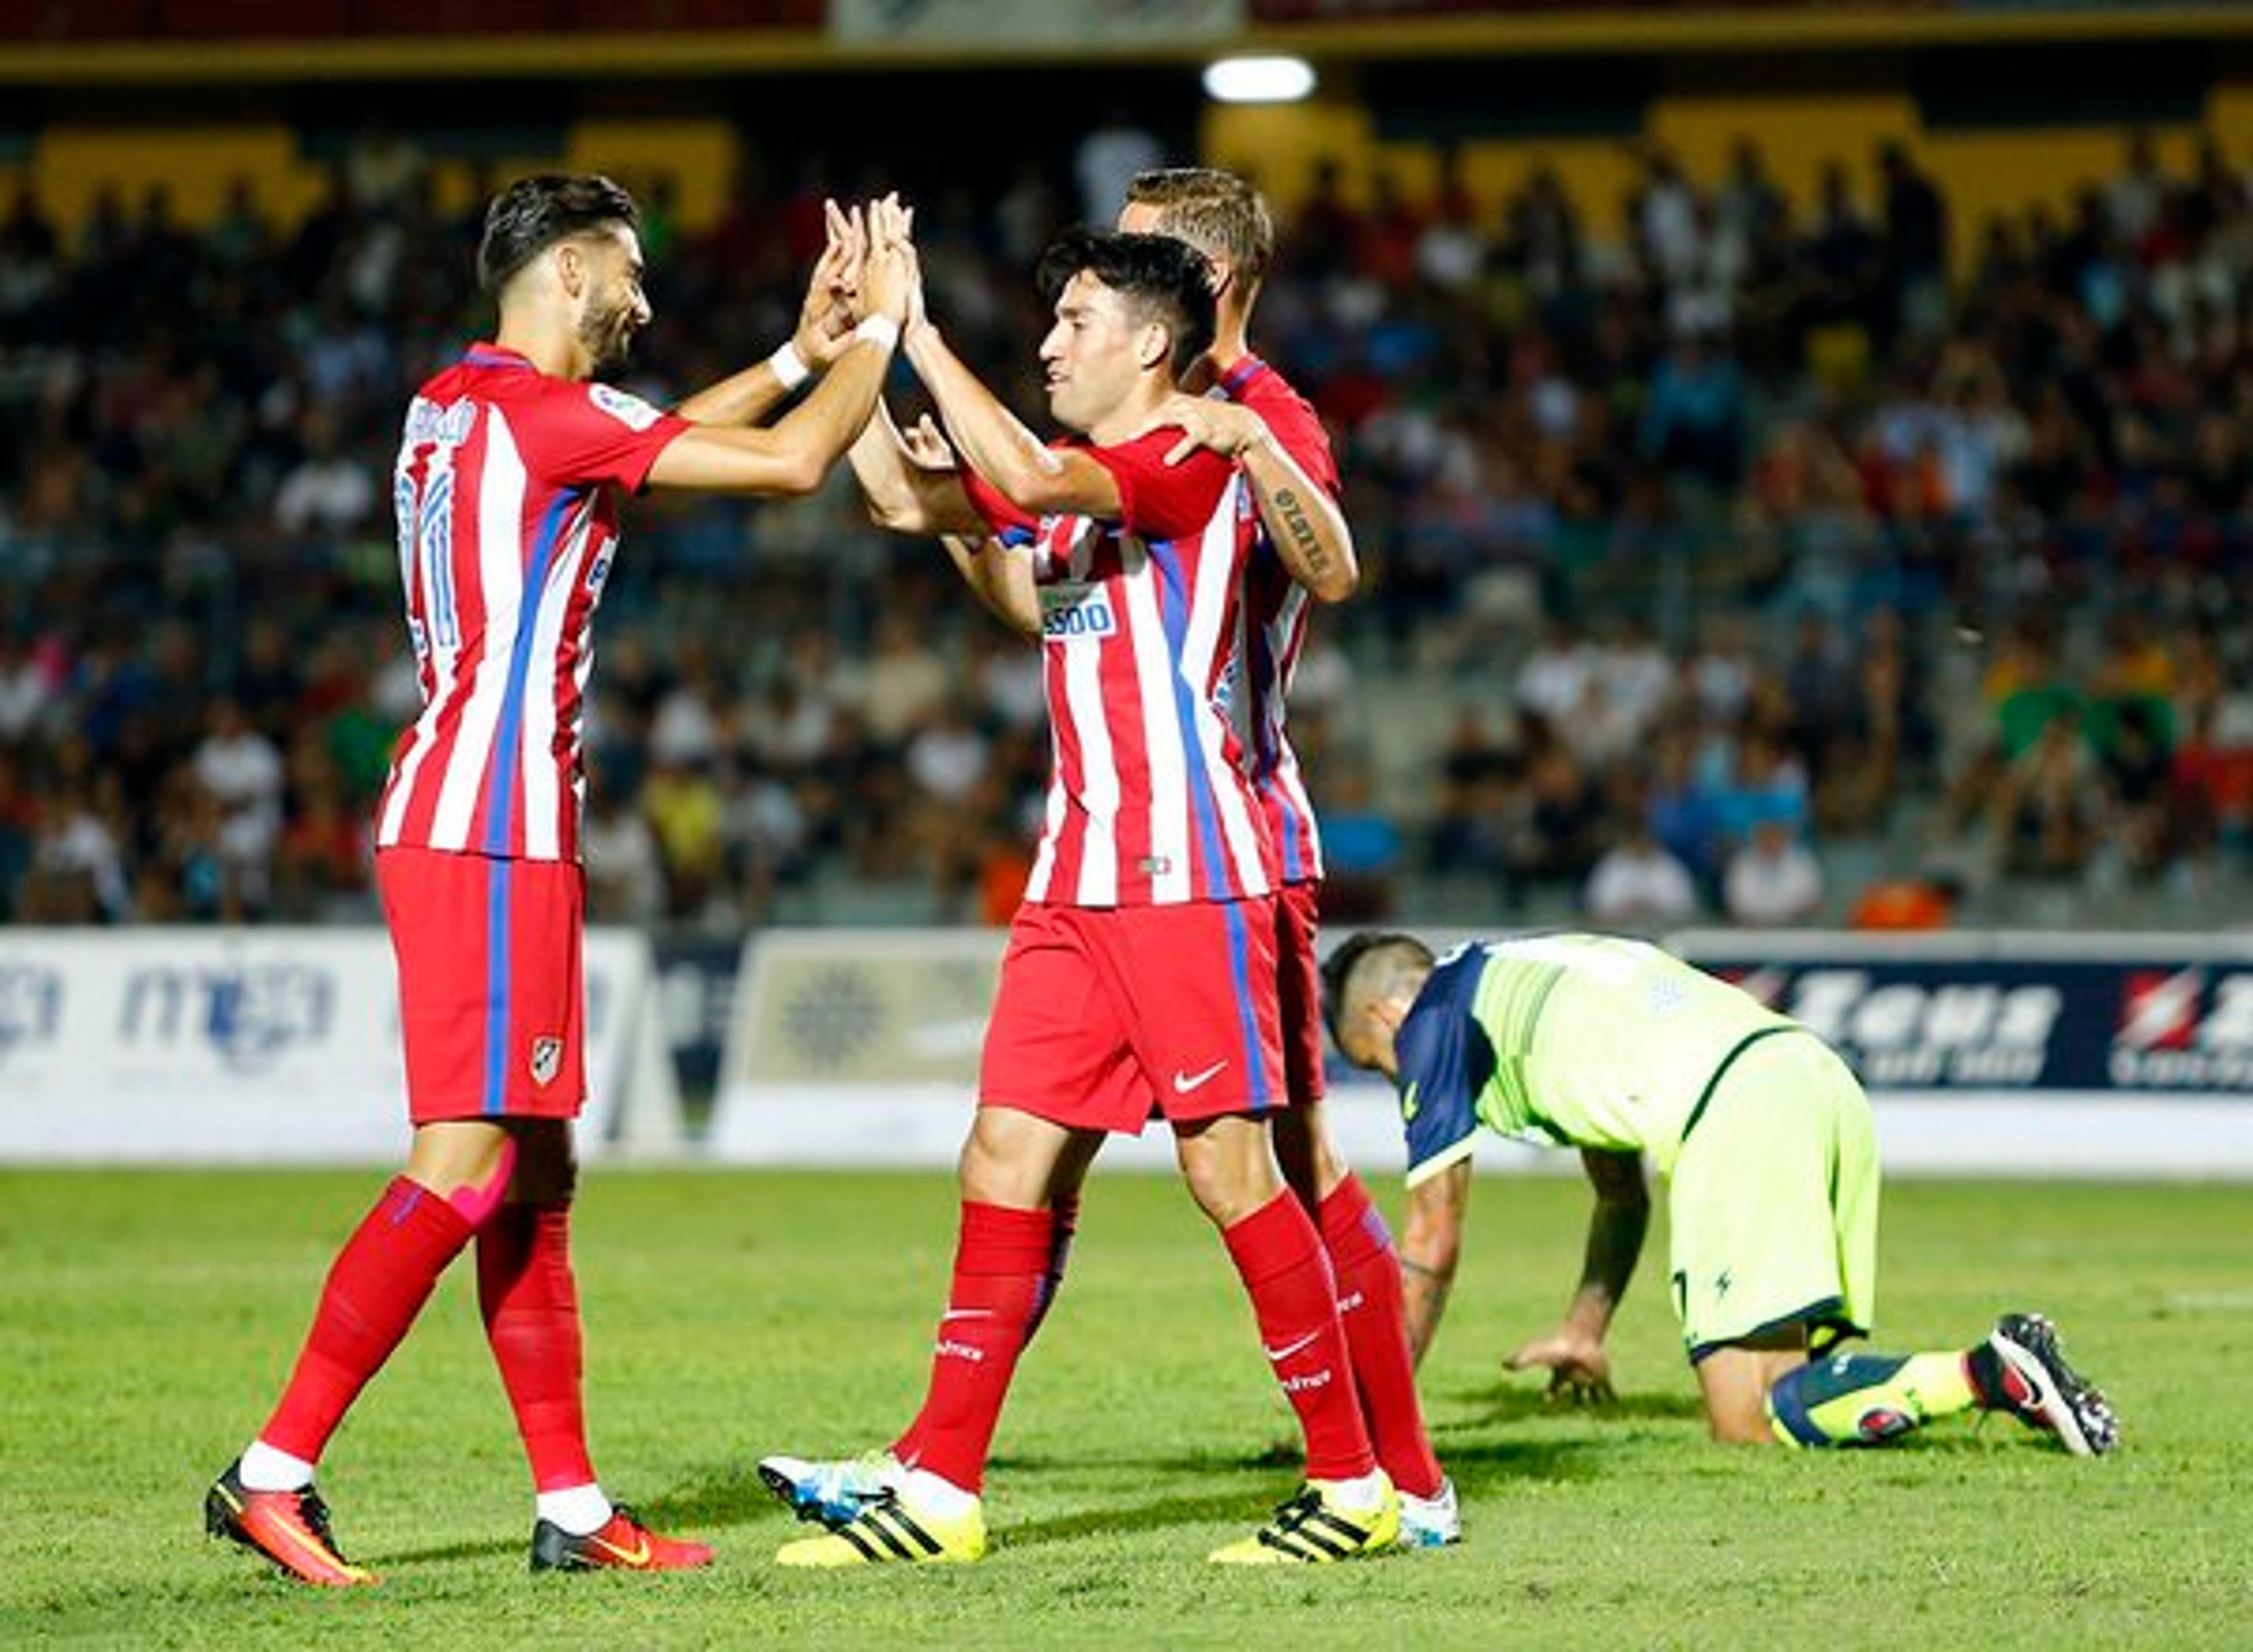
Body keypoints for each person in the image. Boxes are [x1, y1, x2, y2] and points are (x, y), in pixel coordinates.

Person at [204, 171, 913, 1587]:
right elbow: (782, 472)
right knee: (466, 1165)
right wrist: (883, 332)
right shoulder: (544, 415)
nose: (644, 300)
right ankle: (272, 1471)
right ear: (571, 274)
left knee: (533, 1169)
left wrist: (795, 355)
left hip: (466, 811)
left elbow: (640, 440)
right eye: (630, 274)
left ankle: (574, 1507)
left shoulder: (455, 407)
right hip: (492, 825)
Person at [760, 221, 1398, 1566]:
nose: (1048, 341)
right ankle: (939, 1485)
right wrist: (861, 344)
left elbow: (1026, 468)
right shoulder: (1082, 481)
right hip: (1078, 876)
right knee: (1003, 1155)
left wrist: (926, 334)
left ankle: (1355, 1483)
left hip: (1189, 872)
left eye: (1076, 324)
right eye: (1044, 325)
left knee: (1233, 1170)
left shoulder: (1180, 451)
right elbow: (908, 500)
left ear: (1154, 345)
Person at [1115, 167, 1454, 1543]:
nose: (1106, 281)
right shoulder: (1147, 412)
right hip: (1150, 844)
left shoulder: (1268, 414)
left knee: (1292, 1159)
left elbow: (1332, 569)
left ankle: (1392, 1480)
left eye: (1134, 262)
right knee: (1260, 1158)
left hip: (1236, 832)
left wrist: (1243, 442)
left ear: (1208, 281)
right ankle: (1400, 1478)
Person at [1320, 930, 2120, 1455]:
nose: (1395, 1079)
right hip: (1810, 1075)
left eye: (1374, 1062)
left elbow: (1432, 1237)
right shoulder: (1535, 971)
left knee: (1745, 1420)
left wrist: (1369, 1428)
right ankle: (1998, 1374)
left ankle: (1993, 1370)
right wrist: (1583, 1328)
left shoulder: (1432, 1020)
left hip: (1732, 1110)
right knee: (1775, 1398)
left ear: (1386, 1012)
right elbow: (1620, 1194)